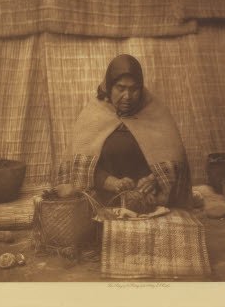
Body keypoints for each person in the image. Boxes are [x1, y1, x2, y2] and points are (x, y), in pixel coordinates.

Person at [57, 54, 192, 209]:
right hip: (103, 202)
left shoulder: (155, 111)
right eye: (121, 88)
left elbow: (175, 159)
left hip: (148, 200)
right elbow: (80, 165)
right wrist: (109, 182)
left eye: (134, 89)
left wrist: (154, 179)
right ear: (109, 87)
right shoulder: (93, 114)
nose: (127, 96)